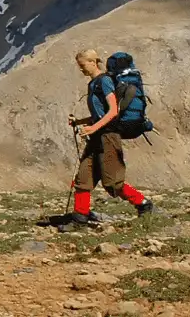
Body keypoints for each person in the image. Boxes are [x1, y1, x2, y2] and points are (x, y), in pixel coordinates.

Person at [59, 49, 154, 233]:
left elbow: (113, 111)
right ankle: (80, 219)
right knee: (83, 178)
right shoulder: (94, 83)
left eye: (82, 65)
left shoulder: (104, 81)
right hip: (97, 137)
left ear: (93, 62)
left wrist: (93, 128)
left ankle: (144, 205)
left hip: (108, 137)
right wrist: (80, 122)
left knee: (113, 183)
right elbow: (99, 114)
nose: (81, 69)